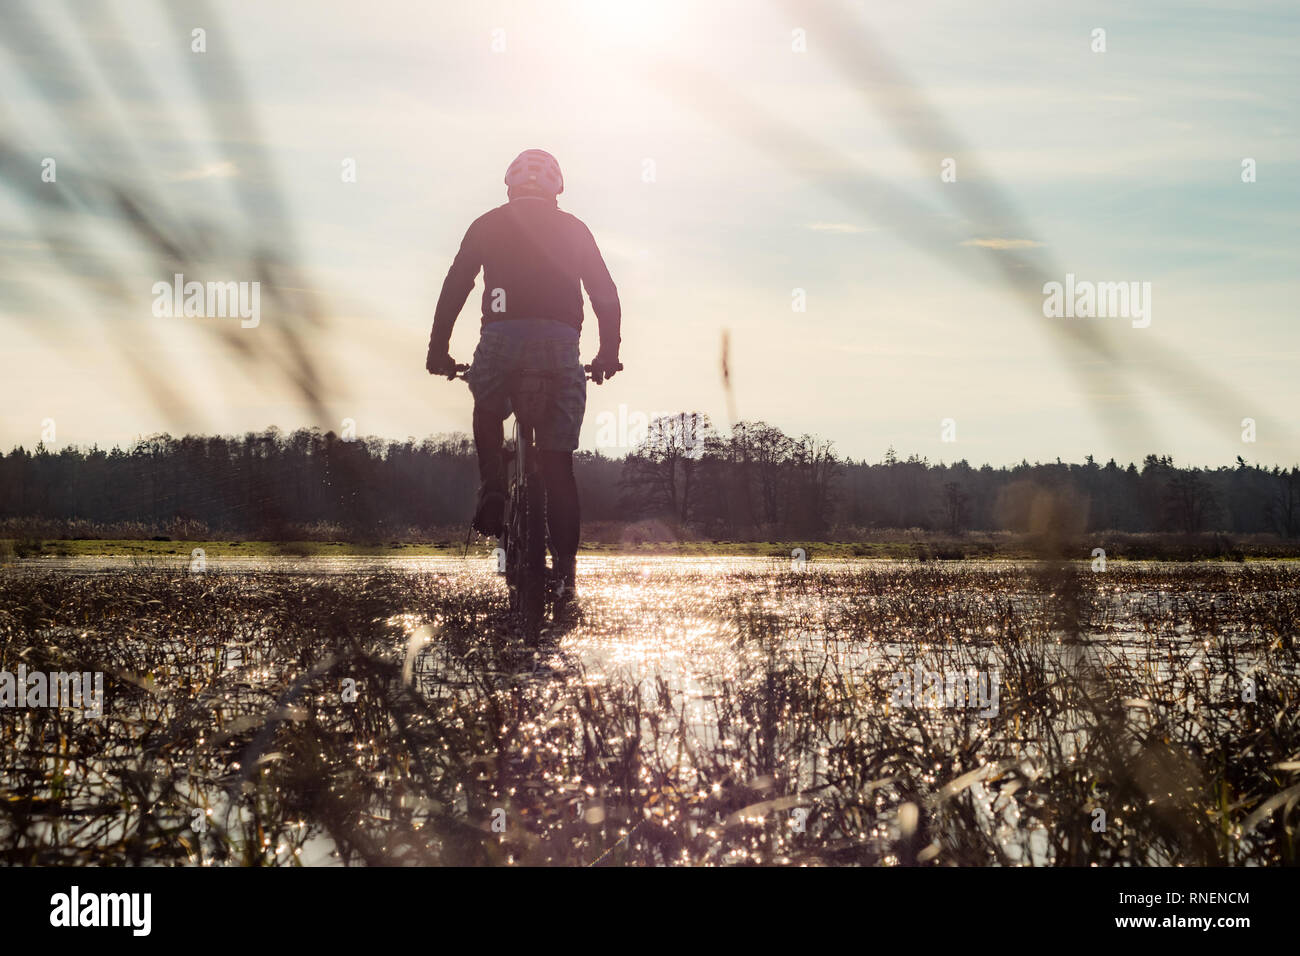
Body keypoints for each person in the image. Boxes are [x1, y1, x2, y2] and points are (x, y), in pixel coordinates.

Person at [425, 148, 621, 599]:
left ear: (510, 186)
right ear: (557, 189)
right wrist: (607, 353)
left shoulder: (487, 224)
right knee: (558, 465)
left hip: (500, 340)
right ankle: (567, 574)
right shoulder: (575, 229)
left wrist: (438, 351)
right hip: (560, 346)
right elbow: (604, 294)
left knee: (488, 406)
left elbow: (455, 286)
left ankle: (494, 484)